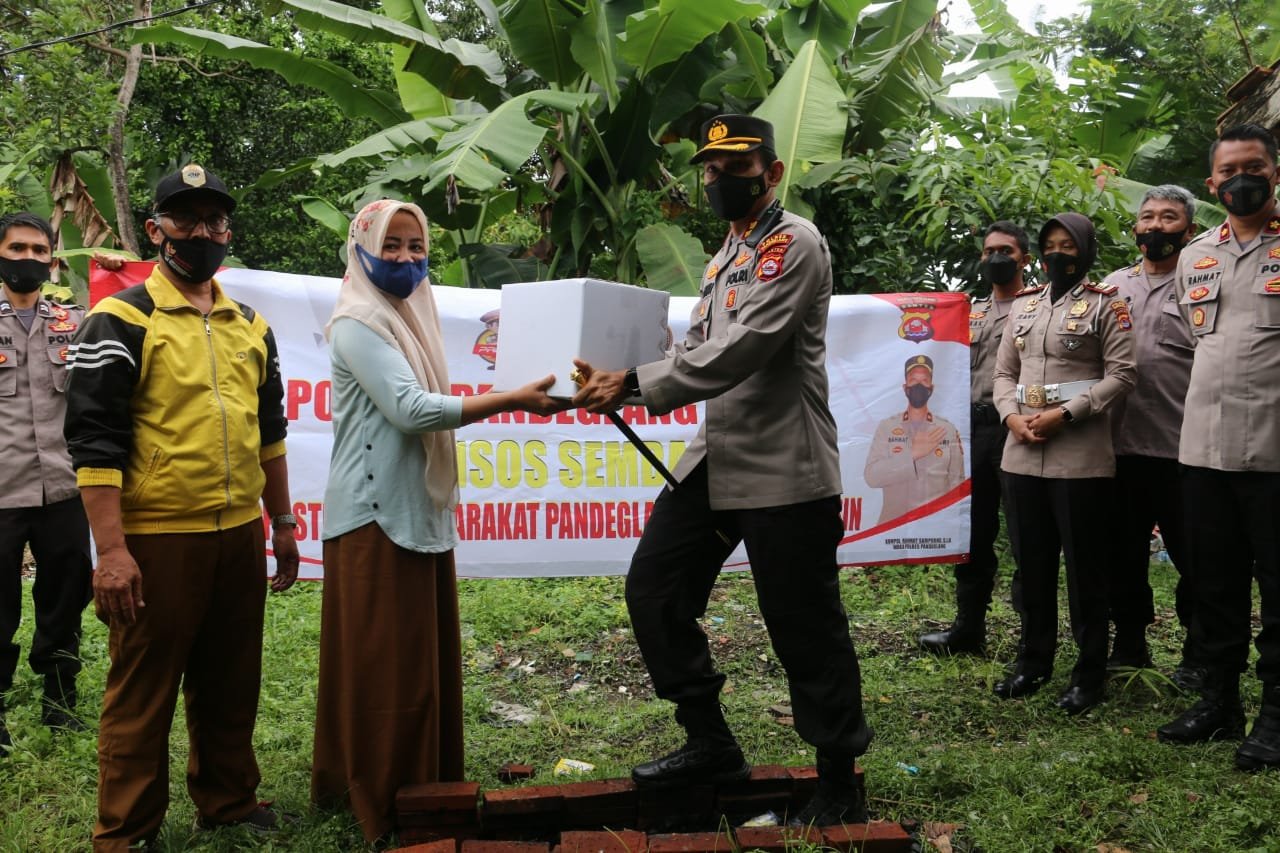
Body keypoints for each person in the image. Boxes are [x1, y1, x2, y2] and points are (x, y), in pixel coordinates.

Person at [572, 114, 872, 827]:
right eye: (710, 168)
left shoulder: (790, 245)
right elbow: (698, 345)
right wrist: (612, 369)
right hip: (718, 454)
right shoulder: (725, 253)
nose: (718, 180)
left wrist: (634, 383)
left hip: (785, 466)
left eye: (735, 168)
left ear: (769, 172)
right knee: (657, 588)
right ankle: (709, 741)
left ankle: (838, 777)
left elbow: (744, 349)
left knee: (804, 624)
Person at [311, 200, 565, 844]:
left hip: (409, 504)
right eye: (390, 246)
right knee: (383, 665)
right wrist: (512, 399)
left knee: (415, 657)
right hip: (373, 514)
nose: (404, 259)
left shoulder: (405, 316)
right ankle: (383, 791)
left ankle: (421, 780)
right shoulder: (359, 321)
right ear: (361, 248)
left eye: (416, 247)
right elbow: (410, 409)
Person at [63, 164, 300, 850]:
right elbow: (93, 442)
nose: (201, 232)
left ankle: (227, 799)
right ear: (155, 228)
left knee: (232, 679)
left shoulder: (251, 325)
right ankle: (126, 829)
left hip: (237, 532)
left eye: (214, 220)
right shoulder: (120, 318)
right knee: (143, 688)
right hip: (156, 536)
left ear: (229, 230)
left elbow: (272, 430)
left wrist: (281, 522)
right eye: (185, 218)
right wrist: (110, 551)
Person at [1157, 124, 1280, 771]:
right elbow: (1203, 338)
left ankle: (1277, 715)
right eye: (1229, 169)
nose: (1242, 178)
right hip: (1203, 449)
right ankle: (1219, 701)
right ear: (1212, 184)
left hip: (1274, 454)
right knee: (1216, 586)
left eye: (1254, 166)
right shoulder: (1195, 256)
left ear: (1274, 172)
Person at [991, 212, 1136, 715]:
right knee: (1031, 567)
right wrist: (1012, 418)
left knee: (1084, 570)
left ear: (1087, 252)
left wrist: (1066, 414)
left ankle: (1088, 674)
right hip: (1022, 451)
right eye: (1050, 245)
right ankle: (1033, 662)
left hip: (1080, 454)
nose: (1059, 255)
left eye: (1068, 247)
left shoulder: (1107, 306)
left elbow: (1122, 376)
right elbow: (1004, 374)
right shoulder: (1025, 306)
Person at [0, 212, 93, 751]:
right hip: (2, 491)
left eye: (38, 250)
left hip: (62, 487)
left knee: (65, 597)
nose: (28, 258)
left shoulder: (74, 322)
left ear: (52, 258)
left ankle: (59, 701)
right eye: (17, 248)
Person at [1100, 186, 1199, 684]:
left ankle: (1199, 655)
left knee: (1196, 560)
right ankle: (1131, 643)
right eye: (1147, 216)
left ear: (1190, 229)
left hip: (1186, 449)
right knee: (1123, 555)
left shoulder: (1204, 282)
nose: (1155, 225)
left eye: (1168, 217)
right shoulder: (1112, 287)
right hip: (1117, 449)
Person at [919, 222, 1028, 655]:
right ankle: (968, 628)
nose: (995, 258)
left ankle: (1030, 636)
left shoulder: (1038, 307)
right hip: (971, 432)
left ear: (1025, 258)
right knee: (972, 533)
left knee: (1025, 535)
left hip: (1017, 431)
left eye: (1005, 250)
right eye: (988, 251)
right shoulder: (969, 312)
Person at [863, 354, 964, 526]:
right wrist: (912, 454)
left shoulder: (947, 430)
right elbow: (872, 477)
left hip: (935, 529)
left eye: (924, 380)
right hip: (892, 528)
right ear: (905, 387)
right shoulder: (886, 427)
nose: (918, 385)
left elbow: (957, 484)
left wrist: (951, 526)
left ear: (931, 387)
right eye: (913, 380)